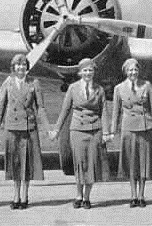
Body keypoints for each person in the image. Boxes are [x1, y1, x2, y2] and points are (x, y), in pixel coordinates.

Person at [0, 54, 51, 209]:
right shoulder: (8, 84)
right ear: (13, 67)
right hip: (12, 129)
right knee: (15, 164)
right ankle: (15, 196)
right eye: (18, 65)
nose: (21, 68)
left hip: (28, 129)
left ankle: (25, 196)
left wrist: (48, 129)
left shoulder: (34, 83)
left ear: (27, 67)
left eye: (23, 65)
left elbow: (40, 108)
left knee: (27, 164)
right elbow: (0, 109)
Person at [50, 58, 110, 209]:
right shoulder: (73, 88)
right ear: (80, 72)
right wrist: (56, 129)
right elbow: (65, 110)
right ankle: (78, 194)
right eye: (85, 70)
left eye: (90, 70)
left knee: (91, 164)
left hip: (94, 130)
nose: (88, 73)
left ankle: (87, 198)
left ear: (94, 72)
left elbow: (104, 112)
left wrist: (106, 132)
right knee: (79, 163)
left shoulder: (99, 90)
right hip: (77, 130)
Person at [109, 58, 152, 208]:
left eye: (135, 70)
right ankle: (132, 195)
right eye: (130, 70)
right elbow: (115, 112)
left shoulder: (147, 85)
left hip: (145, 128)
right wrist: (113, 131)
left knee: (143, 162)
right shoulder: (119, 88)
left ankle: (141, 195)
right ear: (126, 72)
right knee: (132, 163)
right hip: (128, 129)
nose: (133, 73)